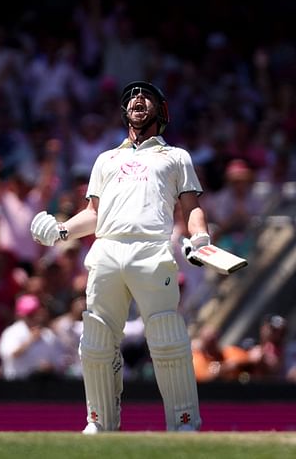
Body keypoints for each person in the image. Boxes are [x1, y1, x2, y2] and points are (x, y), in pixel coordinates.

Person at [30, 81, 209, 433]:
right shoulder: (106, 159)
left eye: (146, 96)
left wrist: (200, 238)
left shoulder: (175, 157)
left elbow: (191, 207)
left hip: (151, 250)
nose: (138, 100)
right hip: (107, 250)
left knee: (167, 337)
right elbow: (94, 214)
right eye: (131, 97)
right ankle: (99, 424)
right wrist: (61, 230)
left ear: (162, 110)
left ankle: (184, 423)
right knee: (95, 340)